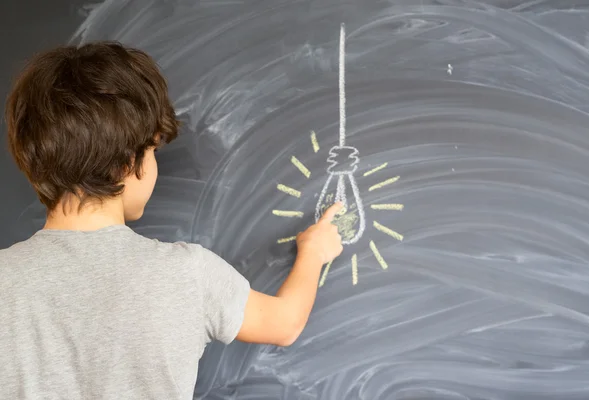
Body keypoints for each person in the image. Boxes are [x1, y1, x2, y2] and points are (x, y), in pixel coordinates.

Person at [0, 41, 344, 399]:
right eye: (151, 150)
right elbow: (285, 324)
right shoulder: (187, 274)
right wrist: (313, 252)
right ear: (126, 163)